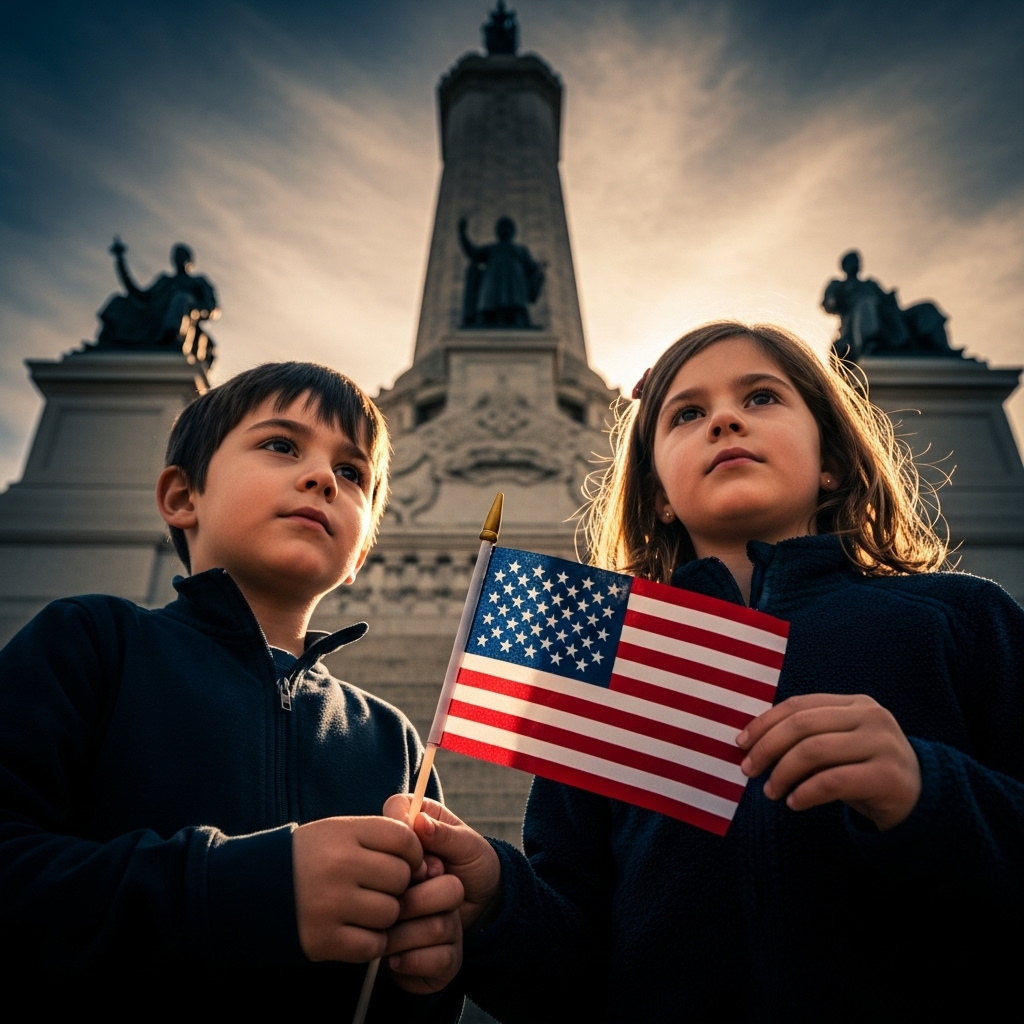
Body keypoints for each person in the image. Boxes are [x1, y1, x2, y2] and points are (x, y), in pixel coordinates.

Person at [387, 322, 1024, 1021]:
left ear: (831, 462)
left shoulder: (961, 620)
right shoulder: (604, 662)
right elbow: (574, 960)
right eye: (687, 414)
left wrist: (928, 790)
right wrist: (497, 905)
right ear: (659, 492)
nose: (725, 419)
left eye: (761, 398)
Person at [0, 362, 464, 1017]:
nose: (322, 478)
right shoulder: (92, 643)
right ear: (183, 497)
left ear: (362, 555)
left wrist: (427, 969)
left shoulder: (391, 740)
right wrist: (244, 892)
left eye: (352, 473)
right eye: (281, 445)